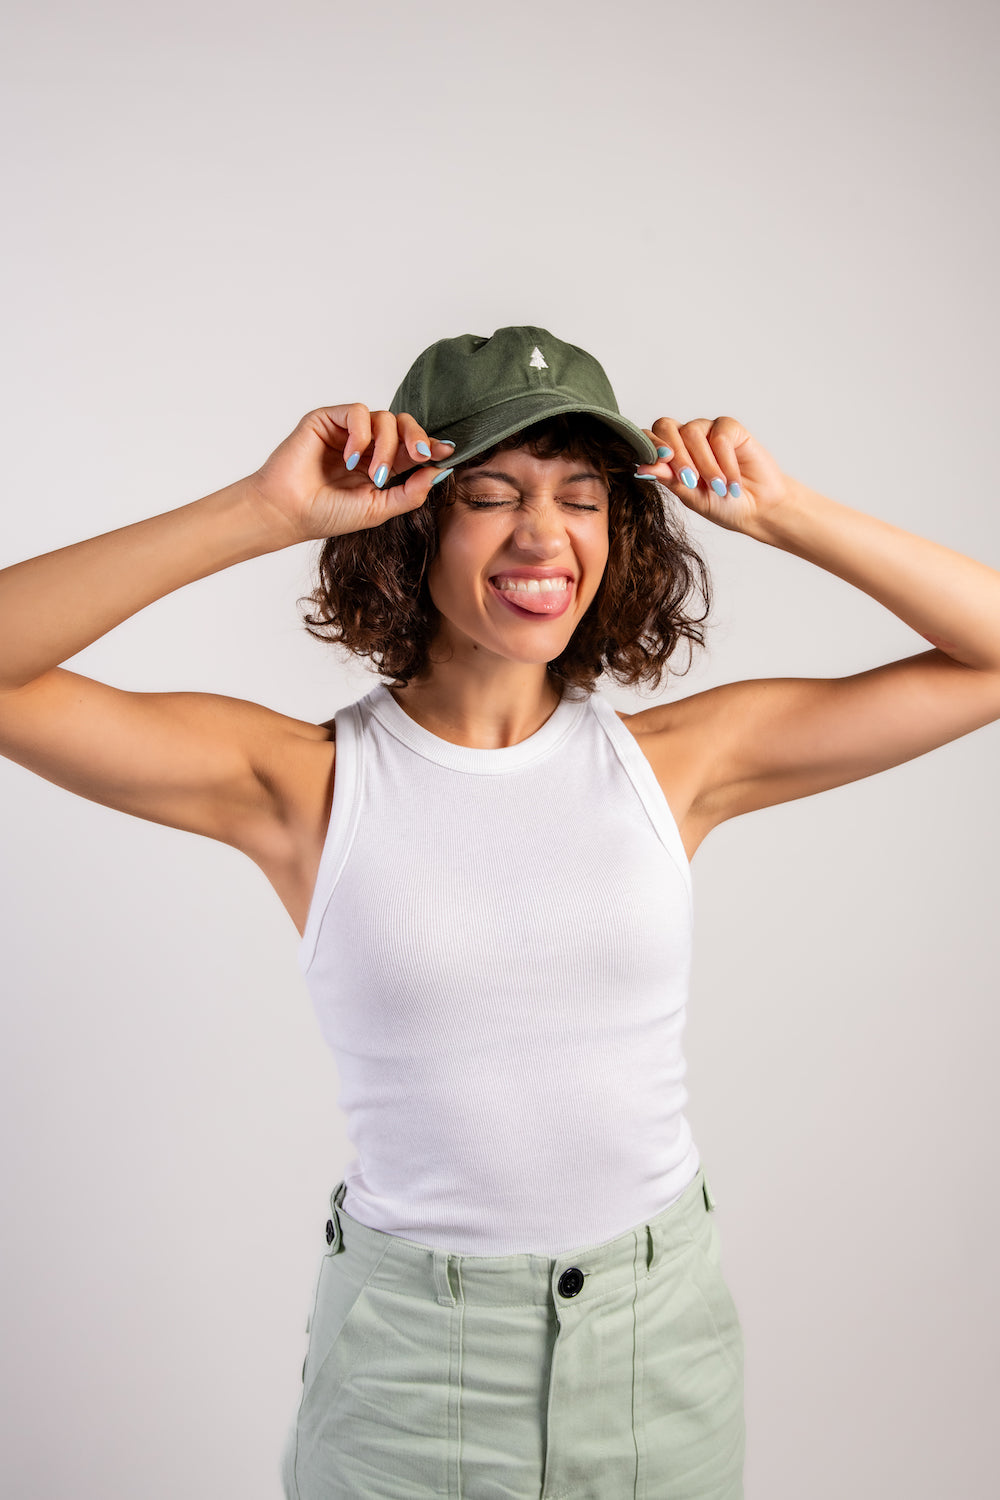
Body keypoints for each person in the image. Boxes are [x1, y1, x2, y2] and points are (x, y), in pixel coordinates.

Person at [2, 325, 999, 1500]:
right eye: (491, 494)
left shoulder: (679, 762)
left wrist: (781, 512)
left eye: (582, 497)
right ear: (411, 519)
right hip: (412, 1368)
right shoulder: (303, 783)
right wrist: (262, 511)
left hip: (654, 1342)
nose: (543, 534)